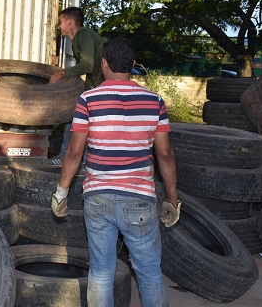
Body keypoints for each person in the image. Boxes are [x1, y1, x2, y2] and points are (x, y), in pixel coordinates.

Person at [50, 36, 181, 307]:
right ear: (132, 64)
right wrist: (172, 198)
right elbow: (165, 154)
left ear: (104, 63)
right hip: (139, 199)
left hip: (98, 197)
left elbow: (74, 152)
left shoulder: (88, 99)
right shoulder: (154, 102)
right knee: (148, 271)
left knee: (100, 271)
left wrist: (61, 193)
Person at [48, 7, 106, 165]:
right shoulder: (77, 40)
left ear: (70, 22)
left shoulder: (84, 34)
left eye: (61, 22)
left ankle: (83, 161)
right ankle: (70, 157)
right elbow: (90, 70)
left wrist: (62, 73)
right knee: (75, 117)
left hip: (105, 85)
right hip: (95, 84)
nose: (60, 26)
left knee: (80, 119)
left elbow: (87, 65)